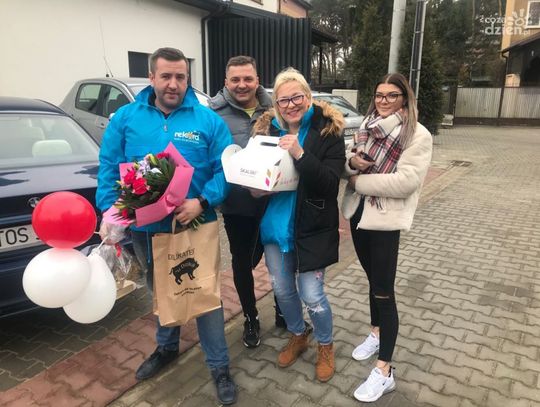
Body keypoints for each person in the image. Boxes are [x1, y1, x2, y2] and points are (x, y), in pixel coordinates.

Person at [96, 47, 237, 405]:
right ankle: (167, 348)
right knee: (159, 290)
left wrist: (202, 201)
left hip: (195, 225)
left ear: (188, 79)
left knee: (204, 296)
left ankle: (219, 366)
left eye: (180, 77)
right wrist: (109, 212)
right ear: (152, 78)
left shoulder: (207, 120)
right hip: (145, 229)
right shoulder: (125, 118)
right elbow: (109, 167)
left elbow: (226, 170)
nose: (173, 84)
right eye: (166, 76)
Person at [341, 73, 432, 403]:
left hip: (384, 220)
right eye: (379, 95)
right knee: (372, 280)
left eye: (392, 95)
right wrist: (352, 163)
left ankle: (384, 371)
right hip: (359, 214)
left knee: (384, 290)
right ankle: (376, 332)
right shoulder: (367, 126)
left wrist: (358, 182)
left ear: (404, 99)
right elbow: (348, 159)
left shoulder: (416, 134)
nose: (383, 101)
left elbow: (405, 182)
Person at [251, 67, 345, 382]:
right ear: (275, 103)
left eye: (297, 97)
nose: (290, 105)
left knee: (312, 295)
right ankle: (298, 334)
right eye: (283, 100)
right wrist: (255, 188)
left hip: (311, 228)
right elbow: (258, 173)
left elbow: (329, 184)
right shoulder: (267, 132)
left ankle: (325, 345)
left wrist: (300, 153)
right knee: (281, 289)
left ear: (307, 96)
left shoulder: (328, 130)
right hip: (276, 227)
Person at [208, 55, 279, 349]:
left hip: (274, 203)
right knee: (242, 264)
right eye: (235, 79)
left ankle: (283, 309)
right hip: (237, 206)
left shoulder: (275, 108)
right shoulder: (213, 114)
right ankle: (250, 317)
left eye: (248, 79)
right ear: (226, 82)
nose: (242, 85)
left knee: (279, 261)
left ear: (257, 80)